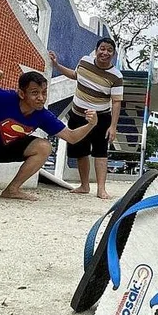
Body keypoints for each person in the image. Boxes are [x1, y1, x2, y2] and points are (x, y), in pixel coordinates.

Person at [0, 66, 98, 202]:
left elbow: (72, 137)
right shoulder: (3, 98)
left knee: (44, 146)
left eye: (44, 92)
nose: (41, 98)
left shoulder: (42, 115)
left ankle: (12, 189)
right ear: (22, 94)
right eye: (35, 93)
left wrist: (91, 125)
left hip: (4, 148)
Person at [48, 38, 123, 199]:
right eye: (102, 48)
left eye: (109, 50)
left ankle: (101, 189)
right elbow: (75, 75)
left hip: (101, 117)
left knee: (100, 152)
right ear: (96, 50)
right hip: (77, 115)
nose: (105, 52)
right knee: (80, 151)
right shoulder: (84, 61)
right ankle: (84, 185)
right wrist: (57, 66)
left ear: (114, 54)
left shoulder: (116, 76)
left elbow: (116, 102)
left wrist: (113, 126)